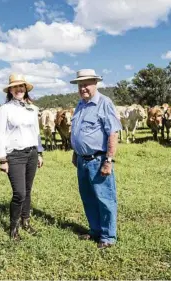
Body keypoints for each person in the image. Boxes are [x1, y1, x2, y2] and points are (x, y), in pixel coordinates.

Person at [70, 69, 122, 249]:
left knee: (105, 198)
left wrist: (108, 160)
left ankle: (108, 237)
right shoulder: (80, 105)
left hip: (98, 160)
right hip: (82, 160)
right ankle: (95, 230)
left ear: (95, 83)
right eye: (80, 84)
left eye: (86, 84)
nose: (83, 88)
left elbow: (112, 133)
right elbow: (78, 132)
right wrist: (76, 152)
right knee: (88, 197)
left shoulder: (104, 103)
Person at [0, 74, 44, 241]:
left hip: (31, 153)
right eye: (15, 87)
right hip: (14, 155)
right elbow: (0, 134)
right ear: (10, 90)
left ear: (25, 89)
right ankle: (13, 228)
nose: (19, 89)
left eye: (21, 86)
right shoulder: (5, 109)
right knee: (19, 193)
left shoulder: (32, 108)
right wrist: (2, 159)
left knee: (28, 191)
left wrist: (39, 152)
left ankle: (26, 221)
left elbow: (36, 133)